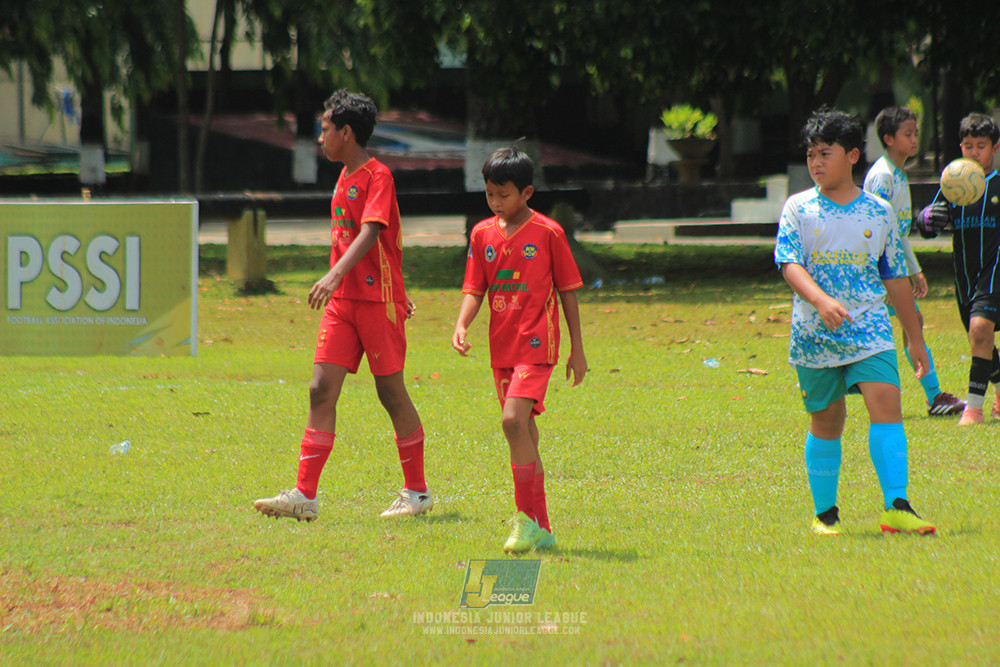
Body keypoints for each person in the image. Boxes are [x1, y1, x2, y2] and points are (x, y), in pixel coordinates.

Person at [254, 90, 432, 522]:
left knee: (390, 392)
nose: (320, 137)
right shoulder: (344, 176)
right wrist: (337, 281)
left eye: (325, 129)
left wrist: (335, 275)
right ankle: (305, 495)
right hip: (344, 304)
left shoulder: (378, 176)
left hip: (376, 299)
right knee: (320, 389)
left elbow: (372, 233)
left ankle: (418, 493)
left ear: (347, 133)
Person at [775, 109, 936, 536]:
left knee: (887, 401)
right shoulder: (798, 208)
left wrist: (914, 338)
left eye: (824, 153)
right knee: (827, 420)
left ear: (850, 155)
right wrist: (821, 300)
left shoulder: (878, 212)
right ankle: (825, 515)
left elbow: (895, 277)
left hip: (870, 327)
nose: (815, 163)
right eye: (810, 155)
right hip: (815, 334)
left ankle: (897, 506)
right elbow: (789, 265)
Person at [452, 146, 587, 554]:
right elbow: (475, 288)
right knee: (525, 432)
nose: (495, 202)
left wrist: (577, 350)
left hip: (537, 345)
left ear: (526, 193)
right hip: (501, 348)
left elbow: (567, 292)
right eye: (489, 194)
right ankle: (542, 527)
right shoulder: (481, 234)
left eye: (503, 194)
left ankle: (524, 519)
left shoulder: (548, 233)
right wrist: (461, 323)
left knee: (512, 422)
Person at [863, 106, 964, 416]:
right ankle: (932, 396)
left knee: (910, 325)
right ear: (888, 138)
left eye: (916, 133)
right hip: (881, 269)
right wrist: (903, 270)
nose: (914, 139)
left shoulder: (896, 173)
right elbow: (879, 227)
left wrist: (912, 268)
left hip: (892, 267)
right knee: (907, 325)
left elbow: (897, 231)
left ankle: (932, 396)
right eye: (907, 134)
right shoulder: (883, 175)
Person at [917, 113, 1000, 426]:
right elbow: (928, 225)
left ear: (995, 148)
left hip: (995, 271)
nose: (974, 152)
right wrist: (925, 219)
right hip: (966, 276)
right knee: (980, 339)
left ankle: (973, 410)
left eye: (981, 146)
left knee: (980, 330)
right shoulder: (953, 182)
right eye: (968, 146)